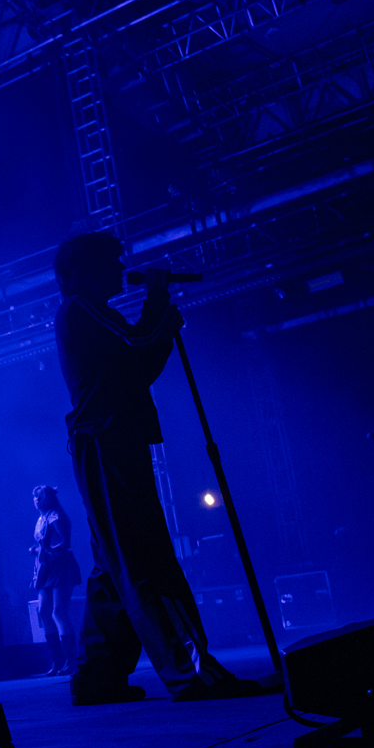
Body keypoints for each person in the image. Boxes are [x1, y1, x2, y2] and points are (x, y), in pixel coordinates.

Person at [52, 231, 257, 705]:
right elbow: (138, 341)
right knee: (142, 556)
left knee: (113, 564)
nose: (121, 269)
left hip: (109, 441)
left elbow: (137, 364)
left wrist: (160, 322)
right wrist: (158, 299)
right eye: (111, 261)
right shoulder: (80, 309)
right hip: (107, 442)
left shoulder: (89, 313)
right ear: (83, 271)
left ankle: (98, 676)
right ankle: (191, 672)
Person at [30, 485, 82, 674]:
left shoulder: (54, 516)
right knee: (44, 612)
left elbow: (65, 543)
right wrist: (38, 550)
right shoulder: (41, 518)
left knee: (58, 611)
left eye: (39, 497)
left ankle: (72, 661)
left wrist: (45, 550)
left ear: (47, 499)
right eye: (35, 497)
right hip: (46, 568)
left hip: (60, 566)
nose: (36, 500)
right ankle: (58, 661)